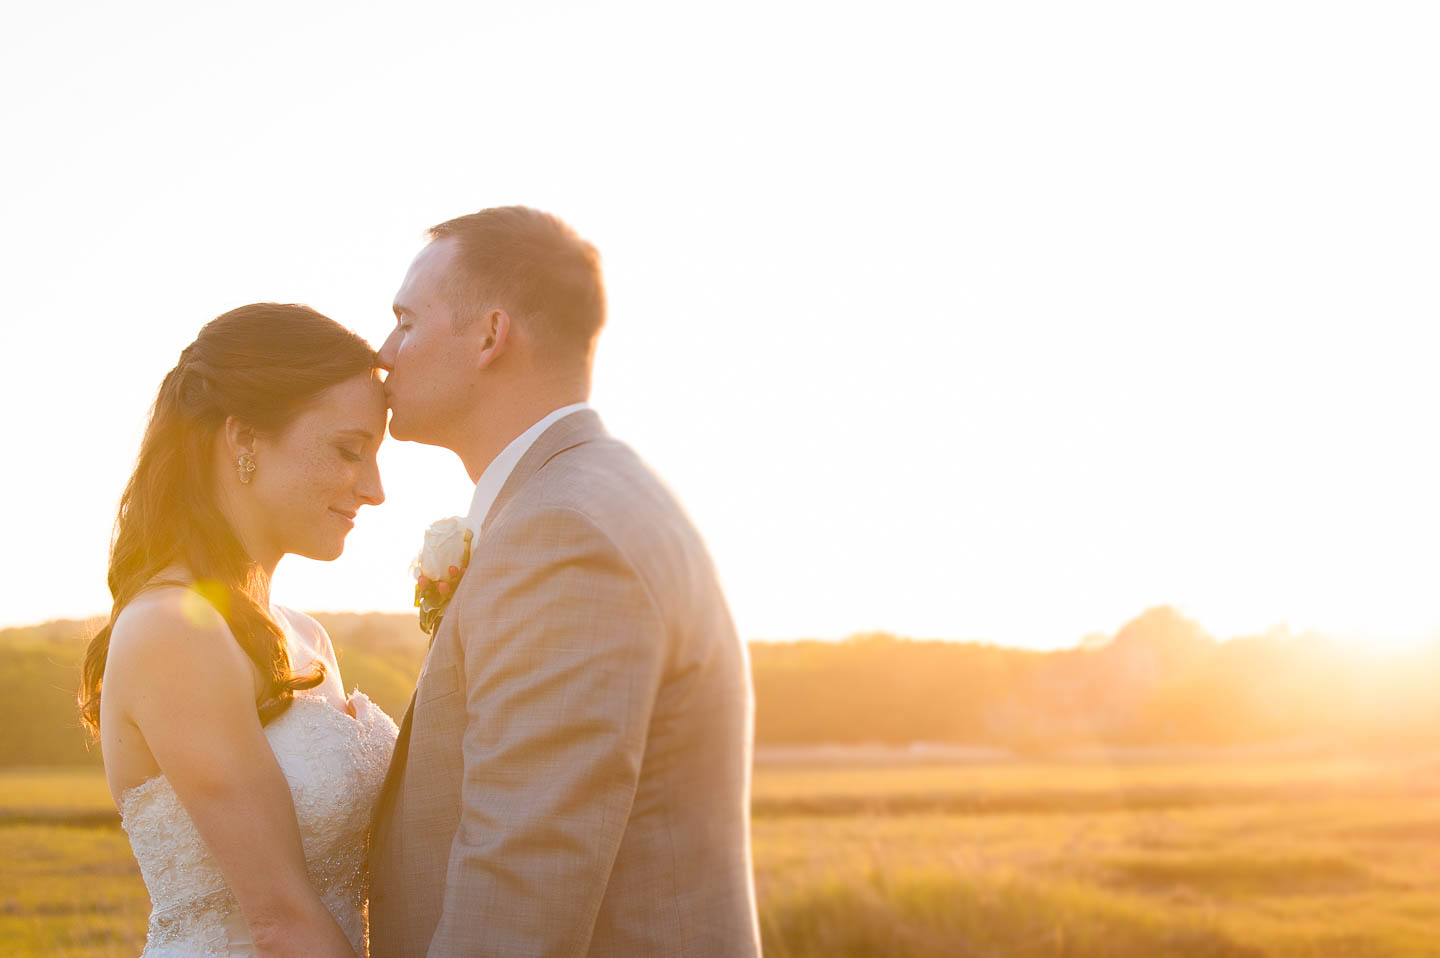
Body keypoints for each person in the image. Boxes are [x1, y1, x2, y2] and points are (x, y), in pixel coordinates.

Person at [369, 207, 762, 956]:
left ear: (490, 335)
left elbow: (520, 886)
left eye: (405, 321)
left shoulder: (562, 533)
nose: (382, 354)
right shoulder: (588, 497)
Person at [78, 303, 398, 957]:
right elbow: (279, 922)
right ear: (243, 439)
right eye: (349, 450)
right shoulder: (172, 632)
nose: (374, 488)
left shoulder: (306, 637)